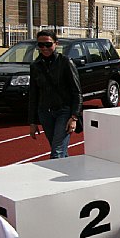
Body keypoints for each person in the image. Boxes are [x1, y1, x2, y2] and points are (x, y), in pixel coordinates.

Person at [28, 30, 82, 159]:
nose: (44, 48)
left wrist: (74, 117)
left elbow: (77, 92)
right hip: (45, 113)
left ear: (56, 44)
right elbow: (33, 94)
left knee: (57, 152)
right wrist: (32, 122)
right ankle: (69, 170)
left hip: (63, 111)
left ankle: (51, 178)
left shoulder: (65, 62)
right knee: (58, 148)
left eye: (48, 44)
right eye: (41, 45)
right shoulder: (35, 66)